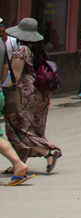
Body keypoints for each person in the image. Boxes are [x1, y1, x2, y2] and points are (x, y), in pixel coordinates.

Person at [3, 18, 62, 173]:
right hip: (40, 93)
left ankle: (48, 151)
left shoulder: (21, 51)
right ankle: (19, 163)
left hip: (24, 93)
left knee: (17, 128)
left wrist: (3, 89)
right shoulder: (40, 50)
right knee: (31, 127)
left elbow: (15, 77)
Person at [0, 21, 33, 184]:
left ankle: (18, 164)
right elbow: (5, 68)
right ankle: (18, 165)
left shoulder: (19, 49)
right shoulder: (1, 44)